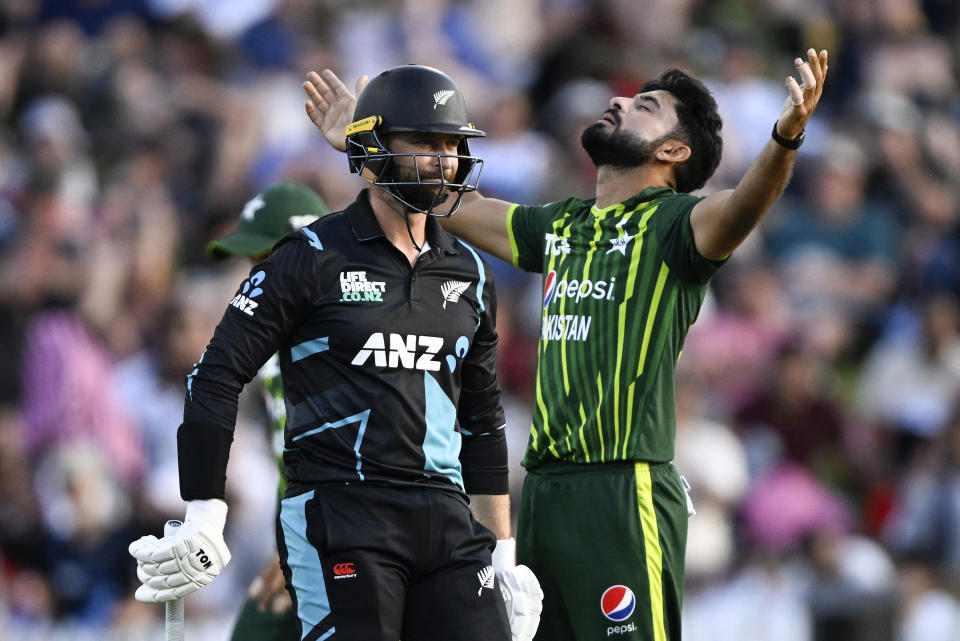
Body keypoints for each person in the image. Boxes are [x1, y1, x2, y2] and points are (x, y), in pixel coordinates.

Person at [304, 47, 828, 641]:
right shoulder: (563, 226)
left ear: (673, 152)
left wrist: (785, 138)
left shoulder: (678, 225)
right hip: (545, 495)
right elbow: (453, 204)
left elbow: (743, 207)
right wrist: (369, 144)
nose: (619, 100)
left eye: (645, 106)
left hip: (623, 493)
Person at [129, 64, 543, 641]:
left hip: (446, 521)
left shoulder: (470, 270)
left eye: (452, 144)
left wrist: (502, 551)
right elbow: (215, 374)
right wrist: (205, 510)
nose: (443, 159)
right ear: (373, 148)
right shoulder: (310, 255)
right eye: (424, 142)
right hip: (340, 513)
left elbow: (482, 418)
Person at [208, 182, 332, 641]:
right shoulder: (274, 339)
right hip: (302, 532)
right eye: (251, 265)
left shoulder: (346, 339)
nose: (254, 279)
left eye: (265, 262)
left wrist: (308, 541)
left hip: (357, 533)